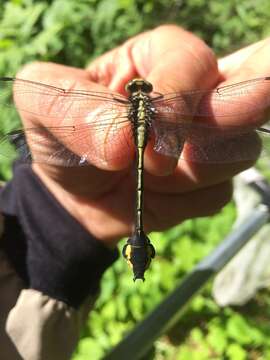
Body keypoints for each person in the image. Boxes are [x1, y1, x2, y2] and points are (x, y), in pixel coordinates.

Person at [0, 25, 269, 359]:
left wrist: (54, 209)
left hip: (43, 251)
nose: (139, 89)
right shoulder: (156, 107)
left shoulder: (129, 105)